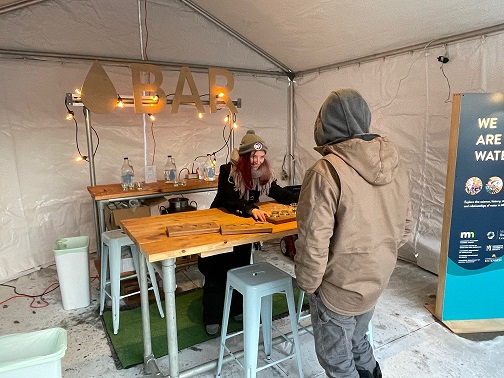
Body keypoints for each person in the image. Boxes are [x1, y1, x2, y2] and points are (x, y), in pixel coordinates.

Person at [294, 89, 412, 378]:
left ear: (325, 125)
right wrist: (377, 256)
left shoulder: (326, 170)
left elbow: (313, 240)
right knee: (359, 339)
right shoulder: (395, 164)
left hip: (338, 286)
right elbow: (405, 226)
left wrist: (309, 284)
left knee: (336, 360)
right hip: (376, 279)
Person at [198, 129, 299, 336]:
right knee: (216, 271)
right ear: (244, 156)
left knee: (240, 267)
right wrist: (249, 208)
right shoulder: (229, 171)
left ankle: (236, 309)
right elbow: (229, 199)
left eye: (261, 157)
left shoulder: (262, 175)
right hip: (223, 227)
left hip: (245, 228)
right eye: (253, 156)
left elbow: (276, 191)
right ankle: (212, 316)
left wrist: (297, 198)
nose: (257, 161)